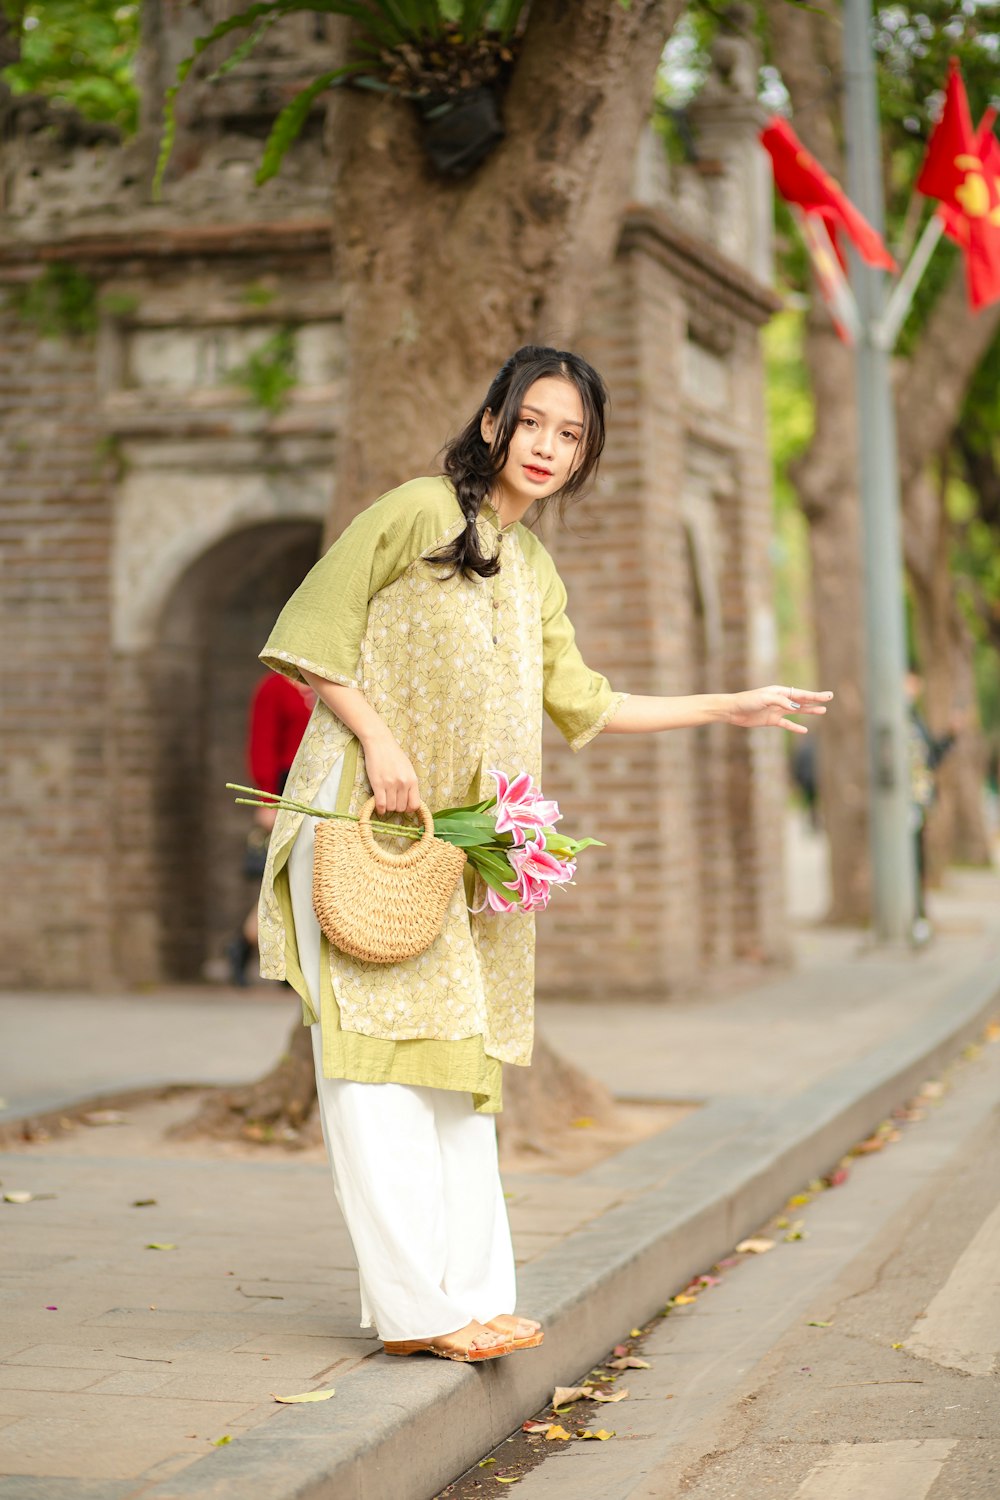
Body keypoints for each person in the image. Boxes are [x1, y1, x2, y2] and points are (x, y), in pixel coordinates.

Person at [256, 345, 832, 1363]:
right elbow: (310, 635)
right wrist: (381, 742)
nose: (549, 447)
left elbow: (587, 703)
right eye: (535, 423)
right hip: (361, 832)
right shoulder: (411, 512)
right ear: (494, 423)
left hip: (460, 856)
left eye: (571, 435)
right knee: (373, 1073)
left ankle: (468, 1295)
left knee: (458, 1065)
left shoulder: (531, 569)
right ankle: (417, 1315)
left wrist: (730, 704)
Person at [226, 672, 315, 985]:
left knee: (301, 875)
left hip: (315, 788)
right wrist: (266, 799)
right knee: (287, 875)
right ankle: (251, 948)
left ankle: (246, 946)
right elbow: (262, 743)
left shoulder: (326, 682)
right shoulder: (274, 687)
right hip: (284, 789)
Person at [905, 669, 962, 944]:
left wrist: (950, 736)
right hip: (903, 804)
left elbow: (928, 758)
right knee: (910, 860)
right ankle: (913, 917)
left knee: (918, 860)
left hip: (918, 801)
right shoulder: (897, 715)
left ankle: (919, 915)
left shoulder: (914, 716)